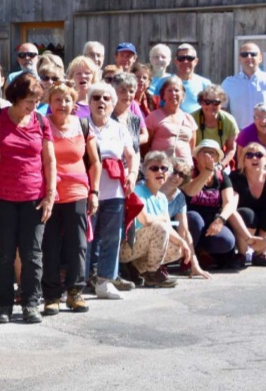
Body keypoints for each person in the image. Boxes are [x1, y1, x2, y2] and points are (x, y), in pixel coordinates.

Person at [0, 73, 56, 324]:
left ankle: (30, 304)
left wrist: (50, 194)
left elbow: (49, 160)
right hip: (1, 197)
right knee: (4, 254)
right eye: (29, 101)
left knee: (32, 254)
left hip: (34, 198)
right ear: (15, 98)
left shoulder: (41, 121)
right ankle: (4, 306)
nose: (33, 106)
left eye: (37, 101)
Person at [42, 82, 101, 314]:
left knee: (78, 244)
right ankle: (51, 296)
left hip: (77, 192)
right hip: (49, 193)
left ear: (74, 103)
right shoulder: (42, 124)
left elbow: (95, 162)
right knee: (50, 245)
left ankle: (75, 292)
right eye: (57, 99)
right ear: (49, 102)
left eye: (67, 100)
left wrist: (94, 192)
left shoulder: (83, 125)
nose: (62, 104)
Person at [85, 82, 139, 299]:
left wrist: (132, 174)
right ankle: (78, 282)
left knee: (112, 238)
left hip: (115, 191)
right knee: (85, 238)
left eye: (106, 98)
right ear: (89, 102)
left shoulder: (119, 128)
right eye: (96, 97)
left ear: (112, 103)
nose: (101, 102)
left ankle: (105, 282)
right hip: (88, 190)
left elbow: (131, 155)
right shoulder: (82, 125)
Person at [120, 152, 191, 288]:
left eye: (164, 168)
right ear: (145, 173)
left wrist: (182, 242)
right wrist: (163, 218)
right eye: (154, 168)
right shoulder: (137, 191)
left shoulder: (162, 198)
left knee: (178, 249)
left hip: (142, 247)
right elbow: (146, 220)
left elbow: (168, 228)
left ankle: (138, 268)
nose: (160, 171)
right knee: (160, 227)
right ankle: (153, 273)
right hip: (126, 247)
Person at [179, 140, 239, 266]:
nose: (208, 155)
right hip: (191, 222)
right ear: (196, 156)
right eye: (204, 152)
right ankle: (186, 259)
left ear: (217, 158)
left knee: (227, 241)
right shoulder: (189, 173)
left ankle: (203, 252)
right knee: (194, 218)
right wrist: (207, 171)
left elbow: (229, 202)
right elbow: (190, 192)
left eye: (212, 153)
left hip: (211, 221)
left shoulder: (222, 176)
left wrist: (220, 220)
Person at [160, 158, 211, 279]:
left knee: (178, 247)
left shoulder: (179, 197)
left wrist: (195, 265)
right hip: (142, 232)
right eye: (174, 171)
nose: (177, 177)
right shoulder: (151, 188)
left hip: (163, 232)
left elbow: (184, 231)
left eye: (182, 175)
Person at [145, 77, 197, 160]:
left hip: (185, 166)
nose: (173, 93)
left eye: (176, 90)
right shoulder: (153, 117)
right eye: (169, 90)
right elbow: (145, 146)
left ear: (183, 95)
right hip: (161, 165)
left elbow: (192, 147)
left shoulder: (189, 119)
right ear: (163, 95)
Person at [190, 85, 239, 170]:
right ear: (201, 103)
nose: (210, 106)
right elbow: (188, 148)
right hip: (196, 161)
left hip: (220, 161)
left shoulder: (229, 120)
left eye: (215, 103)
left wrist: (221, 165)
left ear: (222, 103)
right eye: (207, 102)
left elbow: (231, 148)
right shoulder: (191, 119)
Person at [111, 73, 148, 154]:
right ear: (113, 91)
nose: (128, 95)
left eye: (131, 91)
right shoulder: (106, 116)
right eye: (123, 90)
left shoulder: (135, 119)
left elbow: (143, 139)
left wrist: (128, 141)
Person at [168, 44, 212, 113]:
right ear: (176, 61)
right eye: (181, 58)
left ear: (196, 61)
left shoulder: (205, 84)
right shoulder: (165, 82)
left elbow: (211, 108)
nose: (185, 61)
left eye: (189, 58)